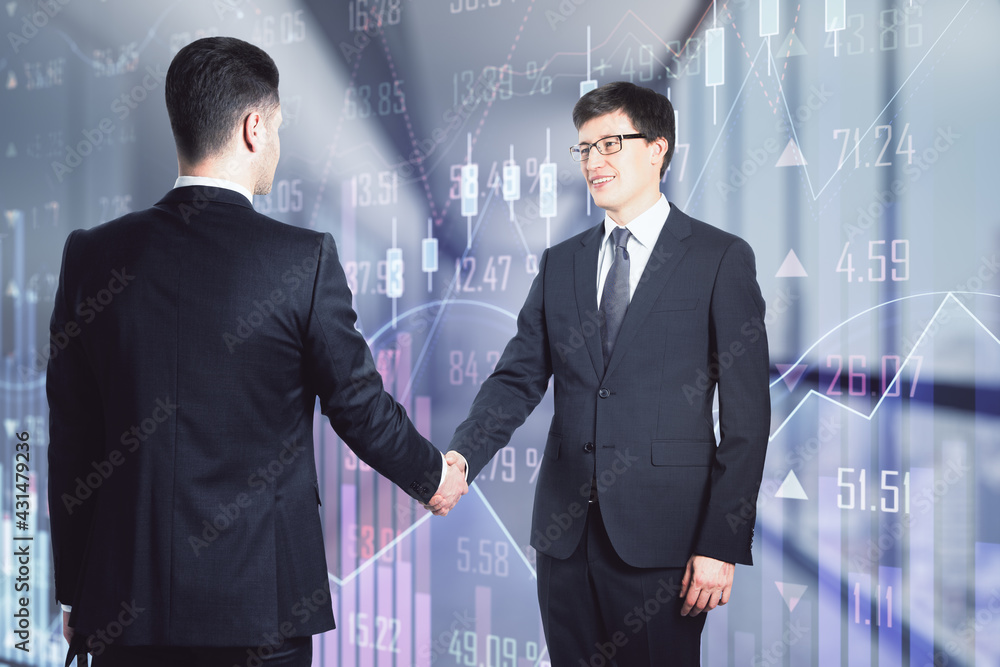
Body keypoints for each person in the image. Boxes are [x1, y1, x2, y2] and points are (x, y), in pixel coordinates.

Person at [46, 36, 467, 667]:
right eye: (276, 128)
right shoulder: (302, 260)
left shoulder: (92, 255)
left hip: (122, 612)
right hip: (258, 613)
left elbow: (72, 442)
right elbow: (356, 406)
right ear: (252, 126)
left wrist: (77, 594)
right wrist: (434, 477)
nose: (277, 145)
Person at [436, 81, 771, 666]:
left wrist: (721, 543)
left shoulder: (719, 258)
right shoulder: (561, 261)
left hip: (664, 541)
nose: (594, 161)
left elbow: (747, 419)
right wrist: (463, 456)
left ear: (658, 149)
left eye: (611, 143)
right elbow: (517, 377)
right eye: (585, 149)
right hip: (565, 542)